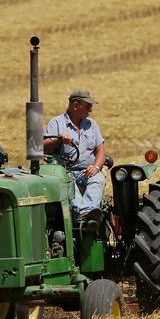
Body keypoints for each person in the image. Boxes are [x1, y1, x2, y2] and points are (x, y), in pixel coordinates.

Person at [43, 89, 106, 223]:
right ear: (76, 105)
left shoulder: (92, 124)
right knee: (70, 185)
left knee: (98, 179)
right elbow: (43, 146)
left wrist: (96, 167)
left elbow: (101, 151)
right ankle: (83, 215)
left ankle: (88, 213)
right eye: (88, 106)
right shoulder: (56, 123)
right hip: (65, 171)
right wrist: (59, 140)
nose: (90, 110)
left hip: (87, 171)